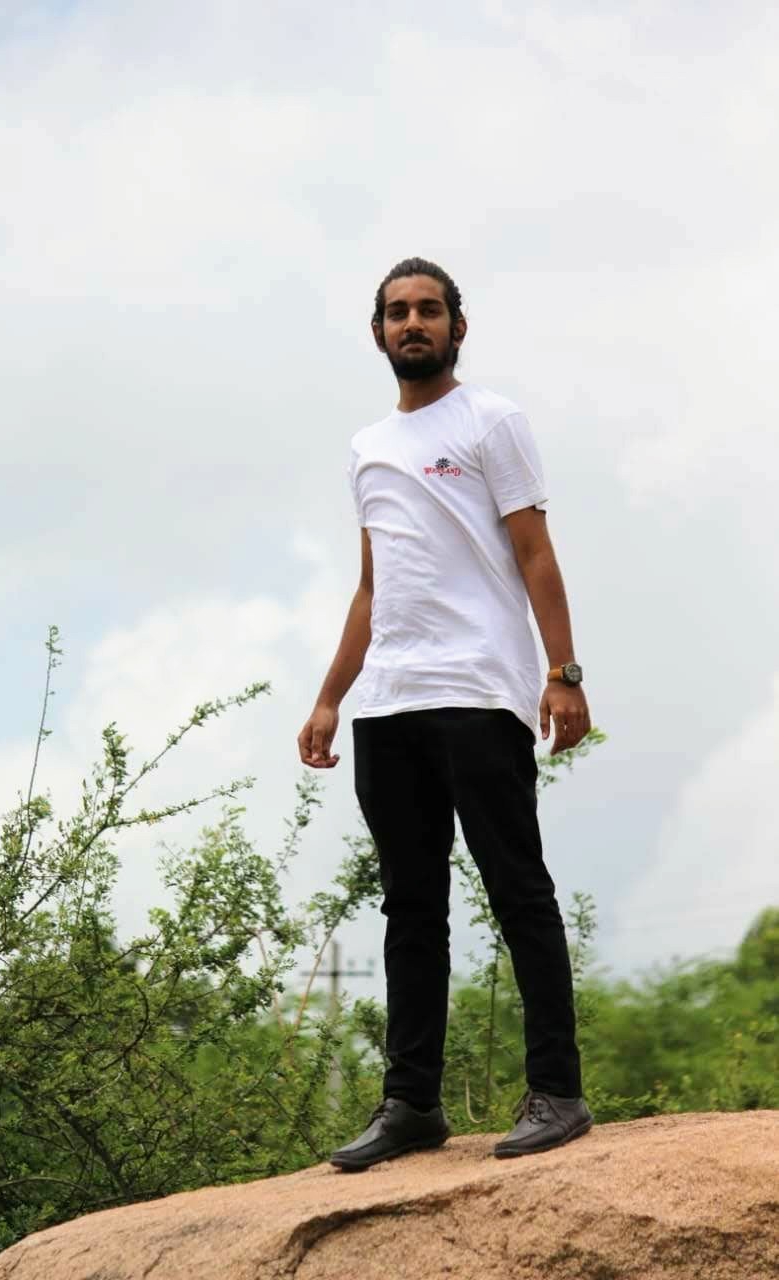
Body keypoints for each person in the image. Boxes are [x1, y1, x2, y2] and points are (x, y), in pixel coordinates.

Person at [296, 257, 593, 1172]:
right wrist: (330, 695)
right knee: (410, 908)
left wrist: (563, 673)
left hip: (477, 688)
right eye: (397, 312)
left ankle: (557, 1091)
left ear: (457, 327)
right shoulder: (366, 447)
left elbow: (535, 552)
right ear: (377, 333)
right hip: (389, 700)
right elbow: (372, 584)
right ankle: (411, 1104)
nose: (412, 323)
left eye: (429, 310)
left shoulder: (490, 421)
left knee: (517, 890)